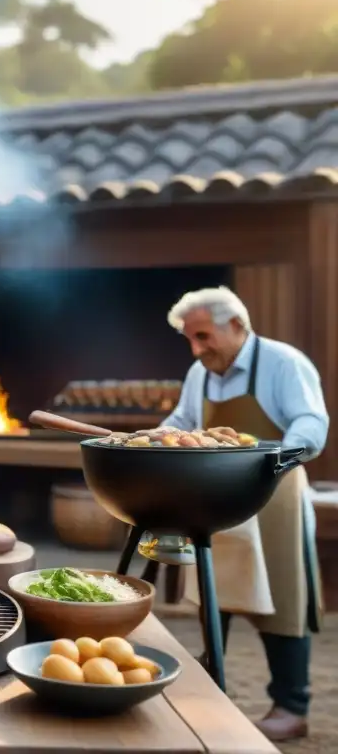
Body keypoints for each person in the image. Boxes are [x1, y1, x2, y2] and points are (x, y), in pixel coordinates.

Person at [162, 285, 326, 742]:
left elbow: (311, 424)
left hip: (275, 496)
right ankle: (211, 690)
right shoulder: (201, 371)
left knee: (283, 601)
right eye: (190, 340)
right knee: (216, 592)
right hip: (216, 497)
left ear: (236, 324)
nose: (197, 349)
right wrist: (151, 438)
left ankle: (292, 706)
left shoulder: (284, 363)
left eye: (203, 336)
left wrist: (270, 456)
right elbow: (181, 422)